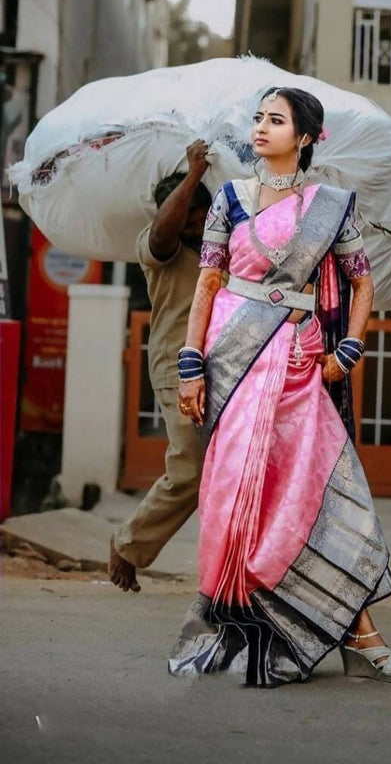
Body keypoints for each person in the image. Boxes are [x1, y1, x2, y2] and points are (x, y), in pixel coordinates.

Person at [170, 89, 391, 687]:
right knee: (241, 503)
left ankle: (361, 635)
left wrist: (349, 350)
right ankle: (275, 631)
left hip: (301, 366)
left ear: (305, 138)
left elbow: (363, 286)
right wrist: (191, 363)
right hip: (234, 362)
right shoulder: (227, 201)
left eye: (275, 120)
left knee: (327, 495)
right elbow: (207, 283)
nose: (260, 127)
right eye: (258, 118)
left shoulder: (330, 206)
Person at [109, 140, 211, 592]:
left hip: (226, 371)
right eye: (185, 218)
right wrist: (193, 175)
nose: (193, 227)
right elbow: (167, 231)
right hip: (178, 371)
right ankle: (129, 545)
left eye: (199, 218)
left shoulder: (221, 248)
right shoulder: (158, 247)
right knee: (191, 470)